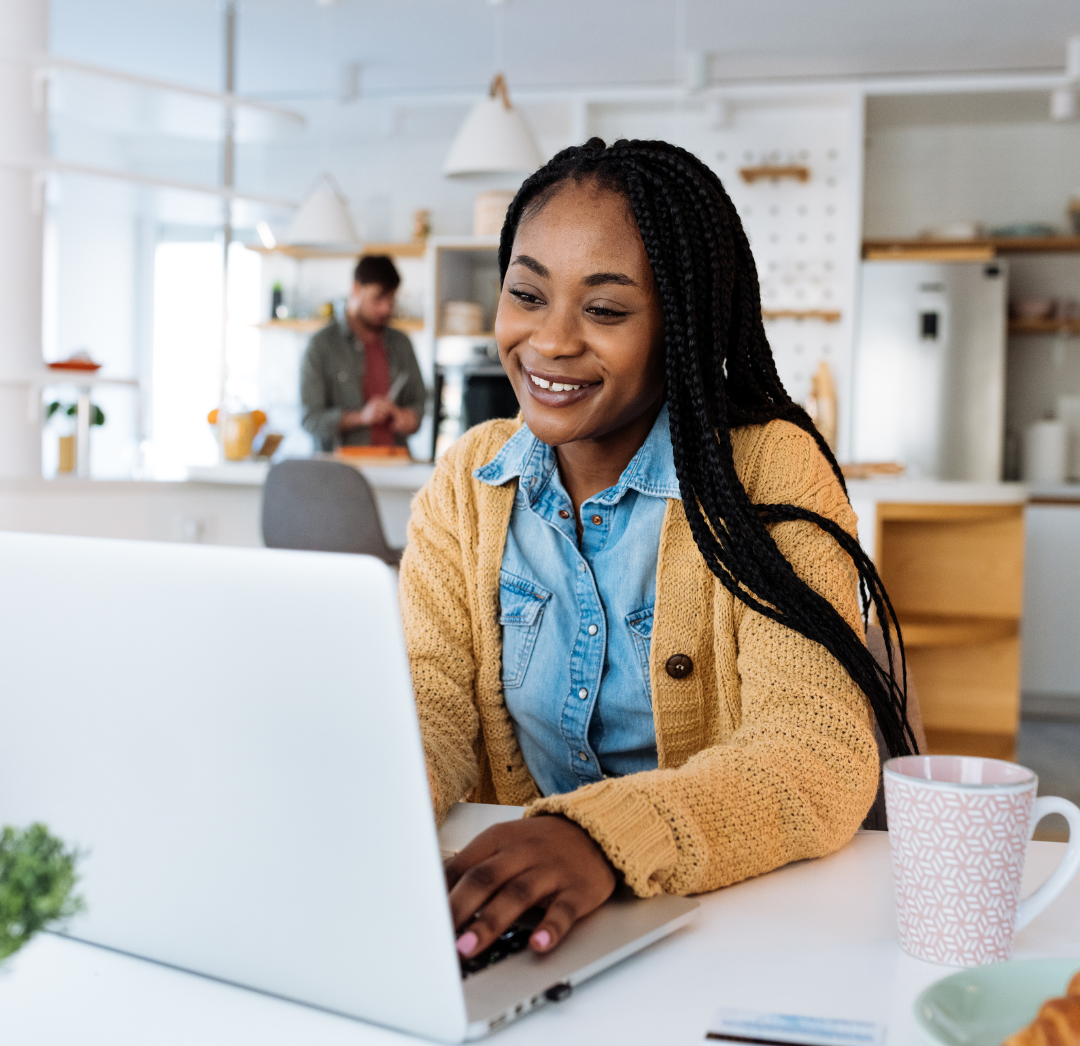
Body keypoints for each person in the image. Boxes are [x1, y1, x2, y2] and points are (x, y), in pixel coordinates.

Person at [399, 139, 916, 965]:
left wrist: (599, 839)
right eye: (527, 294)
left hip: (724, 926)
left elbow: (818, 748)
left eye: (604, 311)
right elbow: (431, 706)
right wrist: (367, 819)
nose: (551, 342)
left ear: (681, 324)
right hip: (521, 925)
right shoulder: (470, 480)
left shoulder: (768, 468)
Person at [300, 255, 426, 452]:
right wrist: (361, 416)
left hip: (396, 465)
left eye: (391, 300)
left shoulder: (402, 343)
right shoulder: (321, 345)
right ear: (356, 289)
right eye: (378, 298)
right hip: (341, 470)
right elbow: (310, 420)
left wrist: (409, 418)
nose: (386, 308)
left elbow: (419, 405)